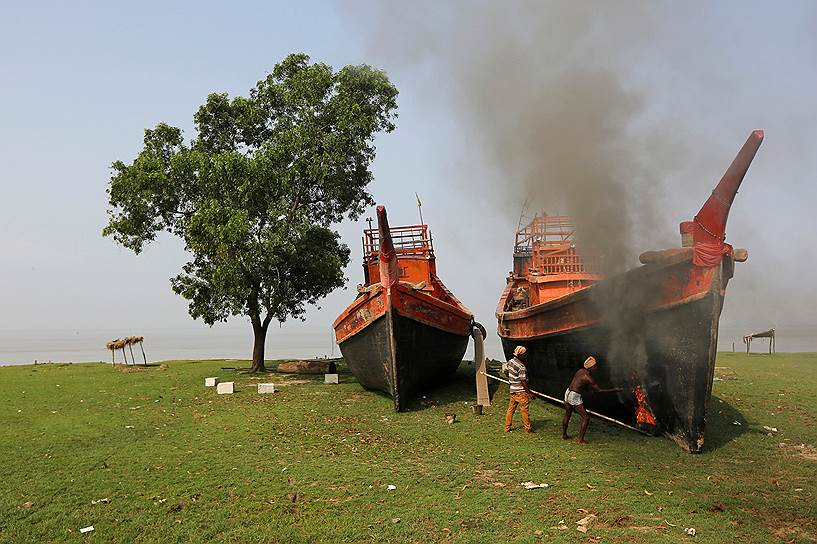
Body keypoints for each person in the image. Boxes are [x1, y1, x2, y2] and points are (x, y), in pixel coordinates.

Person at [561, 356, 622, 444]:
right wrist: (615, 390)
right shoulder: (588, 378)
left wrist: (588, 390)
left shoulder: (580, 371)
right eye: (595, 366)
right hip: (574, 396)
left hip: (568, 392)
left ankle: (564, 435)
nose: (596, 367)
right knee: (586, 417)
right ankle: (580, 440)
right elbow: (599, 390)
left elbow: (579, 384)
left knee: (567, 414)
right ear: (591, 367)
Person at [504, 346, 533, 433]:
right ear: (520, 355)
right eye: (524, 354)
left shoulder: (510, 362)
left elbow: (506, 371)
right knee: (524, 410)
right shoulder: (521, 367)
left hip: (513, 390)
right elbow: (523, 381)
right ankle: (528, 429)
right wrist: (529, 393)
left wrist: (511, 380)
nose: (526, 356)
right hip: (521, 392)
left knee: (510, 409)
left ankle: (507, 428)